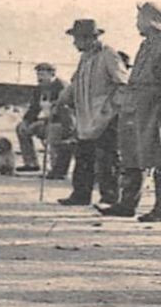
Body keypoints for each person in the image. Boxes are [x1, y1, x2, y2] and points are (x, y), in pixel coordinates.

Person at [100, 3, 161, 221]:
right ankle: (128, 203)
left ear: (151, 20)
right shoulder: (147, 44)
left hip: (153, 109)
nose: (136, 23)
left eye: (139, 18)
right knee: (132, 156)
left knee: (160, 158)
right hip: (135, 107)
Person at [54, 19, 128, 207]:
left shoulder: (108, 55)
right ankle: (81, 195)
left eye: (76, 39)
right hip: (86, 116)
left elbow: (123, 83)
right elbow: (76, 82)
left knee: (107, 158)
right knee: (84, 156)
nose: (74, 43)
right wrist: (64, 97)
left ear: (88, 38)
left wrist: (111, 108)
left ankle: (110, 198)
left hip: (106, 116)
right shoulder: (85, 57)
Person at [14, 63, 66, 173]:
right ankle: (31, 163)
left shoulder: (62, 87)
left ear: (52, 74)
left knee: (53, 131)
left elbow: (63, 111)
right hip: (46, 122)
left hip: (61, 123)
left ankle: (55, 168)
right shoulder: (39, 89)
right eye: (38, 75)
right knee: (21, 128)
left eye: (42, 75)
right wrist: (26, 121)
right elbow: (34, 109)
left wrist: (44, 122)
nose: (39, 78)